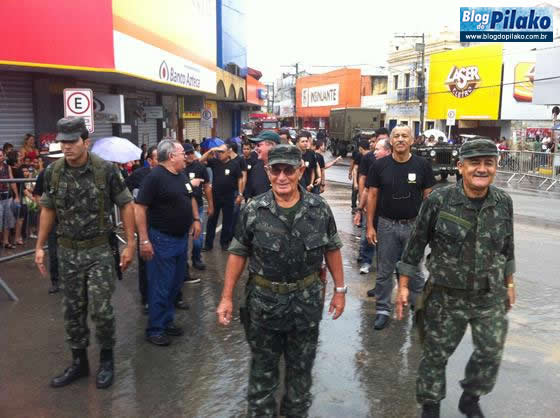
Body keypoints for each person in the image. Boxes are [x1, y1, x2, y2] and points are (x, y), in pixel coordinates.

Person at [216, 144, 346, 418]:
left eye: (289, 170)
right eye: (276, 170)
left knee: (301, 376)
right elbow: (238, 253)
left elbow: (332, 248)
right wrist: (226, 297)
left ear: (300, 171)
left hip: (306, 305)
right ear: (268, 172)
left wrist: (340, 290)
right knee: (262, 375)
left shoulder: (319, 208)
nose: (282, 177)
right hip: (264, 306)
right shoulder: (254, 209)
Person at [395, 139, 516, 418]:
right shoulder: (439, 200)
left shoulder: (503, 202)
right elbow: (415, 244)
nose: (482, 169)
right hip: (445, 297)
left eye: (488, 163)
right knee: (435, 356)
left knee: (490, 352)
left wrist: (510, 283)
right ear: (460, 167)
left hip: (489, 294)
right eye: (475, 163)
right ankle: (431, 407)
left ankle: (470, 398)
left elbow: (508, 246)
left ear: (495, 167)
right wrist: (403, 286)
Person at [35, 117, 136, 389]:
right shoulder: (54, 172)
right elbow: (48, 209)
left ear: (85, 142)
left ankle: (106, 360)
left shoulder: (105, 170)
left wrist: (130, 243)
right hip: (67, 252)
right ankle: (79, 362)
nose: (66, 147)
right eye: (62, 142)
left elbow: (126, 204)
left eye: (72, 141)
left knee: (101, 310)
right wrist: (39, 246)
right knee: (72, 310)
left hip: (99, 251)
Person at [366, 124, 436, 330]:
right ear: (391, 141)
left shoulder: (422, 165)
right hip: (386, 225)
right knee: (384, 271)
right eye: (396, 136)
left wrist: (427, 227)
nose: (400, 139)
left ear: (412, 140)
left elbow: (429, 197)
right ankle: (382, 310)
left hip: (413, 226)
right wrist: (370, 226)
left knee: (415, 271)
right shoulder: (379, 166)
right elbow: (372, 196)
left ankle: (418, 309)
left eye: (405, 136)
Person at [134, 140, 201, 346]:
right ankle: (155, 329)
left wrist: (196, 219)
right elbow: (139, 208)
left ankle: (167, 321)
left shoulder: (180, 175)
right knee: (160, 286)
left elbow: (189, 197)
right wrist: (144, 240)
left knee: (174, 284)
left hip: (180, 239)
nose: (186, 157)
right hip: (161, 240)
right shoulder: (154, 177)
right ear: (172, 156)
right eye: (182, 154)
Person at [353, 138, 392, 278]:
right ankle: (366, 262)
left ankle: (386, 267)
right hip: (373, 210)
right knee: (369, 236)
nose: (374, 152)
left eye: (377, 149)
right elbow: (366, 189)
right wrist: (360, 208)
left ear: (387, 151)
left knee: (387, 242)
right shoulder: (375, 167)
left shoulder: (396, 167)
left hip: (389, 213)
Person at [32, 142, 65, 294]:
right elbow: (37, 194)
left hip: (70, 219)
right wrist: (46, 210)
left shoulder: (71, 172)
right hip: (53, 220)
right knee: (53, 251)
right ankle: (56, 281)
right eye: (54, 158)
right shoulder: (45, 173)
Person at [200, 144, 243, 250]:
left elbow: (240, 178)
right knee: (211, 220)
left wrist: (240, 194)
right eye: (218, 152)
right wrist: (211, 150)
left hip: (229, 196)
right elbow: (200, 161)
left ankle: (224, 243)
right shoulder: (215, 162)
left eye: (222, 152)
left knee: (227, 221)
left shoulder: (234, 164)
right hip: (215, 196)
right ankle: (208, 245)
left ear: (228, 152)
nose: (220, 154)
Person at [183, 142, 213, 273]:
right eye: (187, 153)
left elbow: (207, 187)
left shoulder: (200, 167)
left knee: (198, 239)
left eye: (191, 152)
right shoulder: (177, 168)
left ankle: (196, 258)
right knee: (182, 239)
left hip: (199, 207)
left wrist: (211, 205)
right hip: (182, 208)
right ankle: (183, 263)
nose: (190, 155)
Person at [244, 131, 279, 199]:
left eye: (259, 145)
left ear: (272, 146)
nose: (256, 149)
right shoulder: (256, 169)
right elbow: (250, 193)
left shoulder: (286, 168)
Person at [0, 149, 19, 249]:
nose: (0, 157)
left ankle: (6, 241)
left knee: (7, 218)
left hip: (7, 196)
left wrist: (16, 196)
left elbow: (12, 181)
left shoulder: (7, 167)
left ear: (4, 156)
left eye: (1, 155)